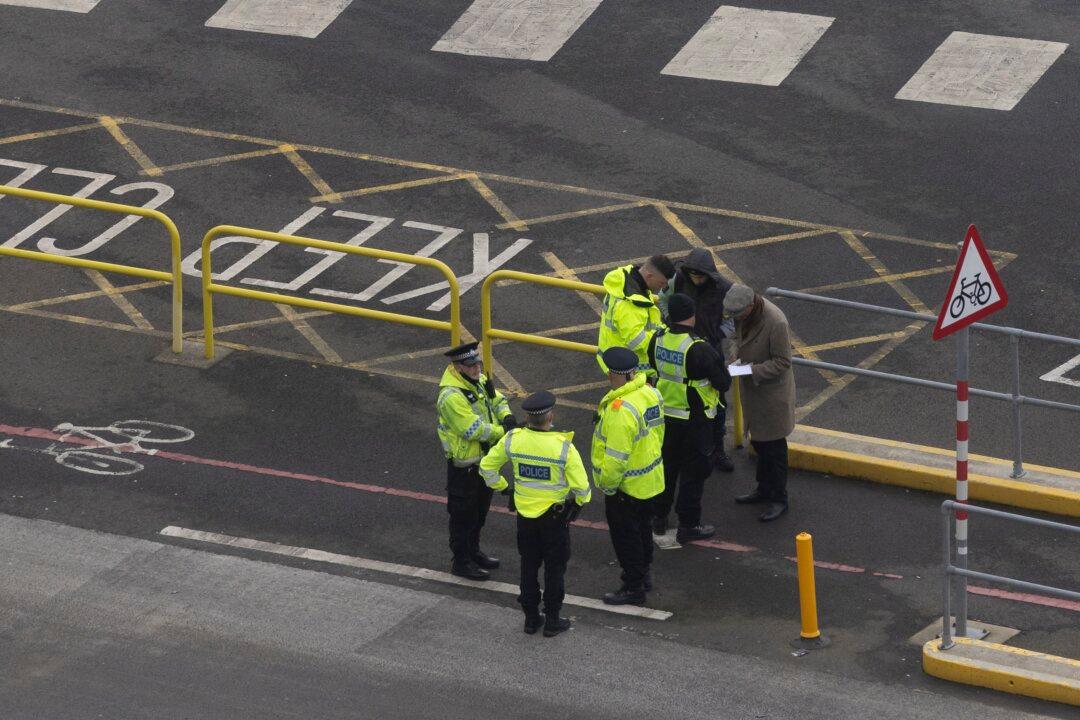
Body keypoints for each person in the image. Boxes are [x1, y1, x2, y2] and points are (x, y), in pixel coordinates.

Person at [479, 391, 591, 637]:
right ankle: (552, 619)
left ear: (527, 417)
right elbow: (582, 488)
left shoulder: (513, 439)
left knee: (528, 566)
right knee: (554, 569)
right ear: (550, 415)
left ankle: (531, 619)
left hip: (525, 518)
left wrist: (504, 488)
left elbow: (487, 467)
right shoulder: (563, 447)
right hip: (554, 519)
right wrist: (579, 503)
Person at [648, 293, 729, 542]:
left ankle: (659, 518)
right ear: (691, 316)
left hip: (664, 417)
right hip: (695, 420)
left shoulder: (657, 339)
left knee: (667, 470)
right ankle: (689, 525)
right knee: (693, 476)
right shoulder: (698, 348)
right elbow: (723, 382)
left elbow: (653, 367)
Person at [436, 341, 516, 579]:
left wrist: (507, 417)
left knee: (479, 512)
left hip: (484, 462)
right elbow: (472, 430)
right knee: (463, 517)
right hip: (465, 467)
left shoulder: (478, 381)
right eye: (470, 365)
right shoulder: (451, 396)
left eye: (477, 363)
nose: (476, 368)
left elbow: (498, 400)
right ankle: (461, 561)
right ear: (458, 367)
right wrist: (504, 431)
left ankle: (474, 551)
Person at [592, 346, 666, 606]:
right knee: (644, 532)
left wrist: (608, 486)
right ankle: (643, 575)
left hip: (626, 487)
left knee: (627, 539)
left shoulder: (620, 410)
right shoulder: (651, 393)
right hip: (651, 480)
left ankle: (633, 587)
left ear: (616, 374)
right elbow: (658, 435)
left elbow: (615, 458)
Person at [724, 285, 795, 522]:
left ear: (751, 306)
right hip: (754, 391)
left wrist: (749, 370)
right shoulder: (744, 315)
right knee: (760, 443)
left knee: (774, 448)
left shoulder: (776, 322)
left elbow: (783, 362)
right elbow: (737, 338)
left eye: (738, 315)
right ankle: (763, 489)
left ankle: (779, 498)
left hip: (772, 394)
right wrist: (735, 354)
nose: (735, 319)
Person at [664, 249, 735, 472]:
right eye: (693, 275)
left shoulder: (724, 289)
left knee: (718, 404)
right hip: (681, 349)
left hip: (709, 351)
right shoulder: (678, 280)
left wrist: (716, 336)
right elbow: (664, 301)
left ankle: (718, 450)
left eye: (701, 276)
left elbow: (732, 321)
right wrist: (670, 322)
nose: (696, 280)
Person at [596, 255, 675, 380]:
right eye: (662, 283)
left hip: (619, 361)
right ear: (649, 276)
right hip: (628, 370)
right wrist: (667, 340)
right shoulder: (630, 303)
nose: (663, 287)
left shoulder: (628, 282)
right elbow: (636, 340)